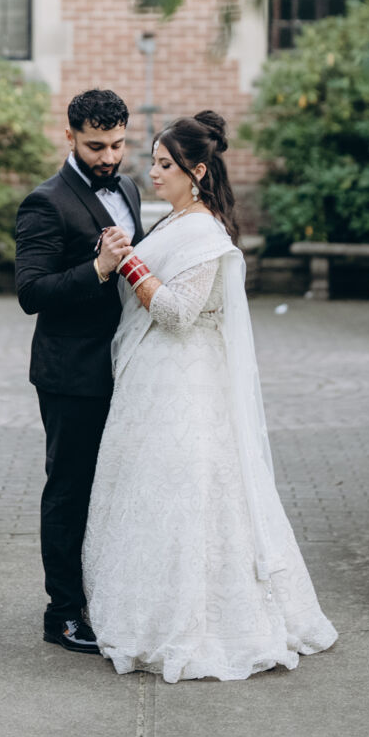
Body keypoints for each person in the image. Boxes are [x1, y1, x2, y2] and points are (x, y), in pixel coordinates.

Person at [83, 110, 337, 682]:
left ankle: (202, 622)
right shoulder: (174, 220)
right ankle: (146, 609)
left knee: (191, 492)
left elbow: (178, 313)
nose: (153, 172)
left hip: (187, 383)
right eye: (152, 162)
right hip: (154, 381)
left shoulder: (203, 231)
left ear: (197, 171)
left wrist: (128, 263)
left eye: (165, 164)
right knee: (151, 492)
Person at [15, 89, 143, 653]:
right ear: (69, 137)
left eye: (117, 144)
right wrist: (97, 267)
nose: (109, 157)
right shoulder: (44, 203)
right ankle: (63, 613)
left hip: (127, 368)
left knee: (115, 487)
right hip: (71, 375)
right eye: (96, 146)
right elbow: (31, 292)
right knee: (69, 491)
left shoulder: (130, 189)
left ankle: (105, 597)